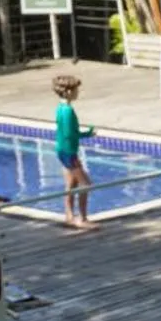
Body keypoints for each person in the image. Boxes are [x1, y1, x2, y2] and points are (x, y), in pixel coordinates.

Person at [52, 73, 93, 227]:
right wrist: (87, 134)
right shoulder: (68, 110)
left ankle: (69, 216)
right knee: (86, 184)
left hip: (61, 150)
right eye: (76, 90)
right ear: (69, 91)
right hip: (69, 152)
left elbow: (63, 132)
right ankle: (83, 219)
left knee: (71, 185)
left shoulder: (60, 108)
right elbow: (70, 134)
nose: (78, 93)